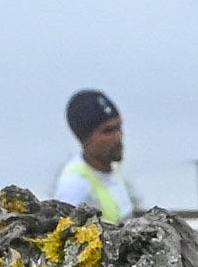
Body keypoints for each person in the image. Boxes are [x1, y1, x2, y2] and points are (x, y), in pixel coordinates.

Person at [55, 89, 141, 221]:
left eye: (119, 127)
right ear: (85, 139)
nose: (118, 137)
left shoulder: (112, 169)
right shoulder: (75, 184)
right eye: (108, 131)